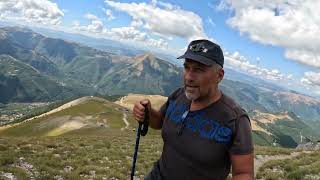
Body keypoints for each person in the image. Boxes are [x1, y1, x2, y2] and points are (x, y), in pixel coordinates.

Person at [133, 39, 254, 180]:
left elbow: (243, 174)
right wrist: (147, 113)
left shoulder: (235, 119)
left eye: (198, 70)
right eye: (187, 67)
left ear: (219, 76)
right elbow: (159, 122)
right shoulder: (178, 95)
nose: (189, 77)